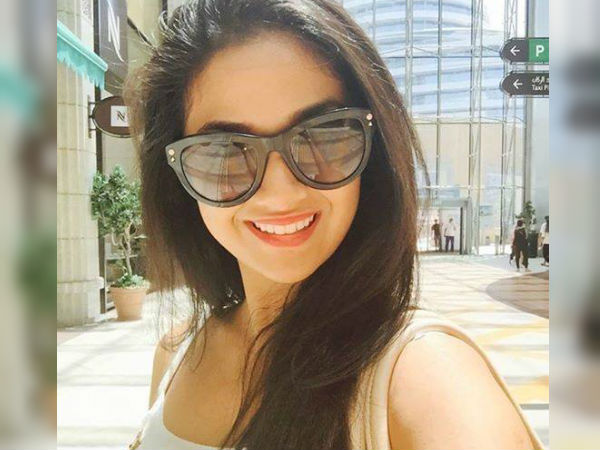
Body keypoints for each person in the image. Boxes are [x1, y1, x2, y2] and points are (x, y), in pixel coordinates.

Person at [124, 1, 543, 449]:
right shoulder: (178, 350)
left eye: (323, 136)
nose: (280, 193)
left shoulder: (424, 375)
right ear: (177, 176)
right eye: (225, 151)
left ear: (373, 153)